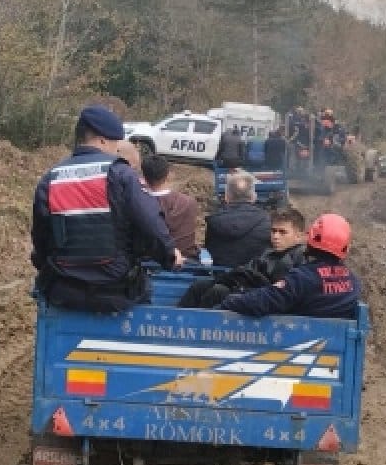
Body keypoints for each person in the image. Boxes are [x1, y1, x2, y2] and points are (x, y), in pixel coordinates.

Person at [31, 105, 182, 312]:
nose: (116, 149)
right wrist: (170, 256)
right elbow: (150, 222)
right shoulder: (121, 174)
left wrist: (48, 267)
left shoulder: (51, 179)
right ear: (101, 140)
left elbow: (40, 236)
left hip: (65, 291)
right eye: (115, 143)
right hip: (115, 291)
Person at [218, 213, 361, 319]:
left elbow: (262, 301)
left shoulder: (303, 278)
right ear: (345, 247)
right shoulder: (353, 282)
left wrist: (227, 302)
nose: (276, 236)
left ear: (310, 239)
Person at [179, 208, 307, 308]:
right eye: (273, 231)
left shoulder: (300, 257)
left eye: (282, 232)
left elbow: (281, 290)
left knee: (219, 291)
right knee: (200, 285)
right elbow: (247, 271)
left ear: (299, 236)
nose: (276, 236)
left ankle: (201, 329)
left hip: (266, 301)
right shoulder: (268, 253)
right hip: (250, 291)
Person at [204, 171, 271, 268]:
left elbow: (210, 249)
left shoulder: (214, 221)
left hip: (222, 278)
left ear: (226, 196)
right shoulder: (267, 220)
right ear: (253, 196)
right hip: (255, 278)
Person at [141, 154, 199, 256]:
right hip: (185, 259)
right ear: (168, 176)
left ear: (144, 177)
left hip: (149, 260)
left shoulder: (137, 204)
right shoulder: (189, 202)